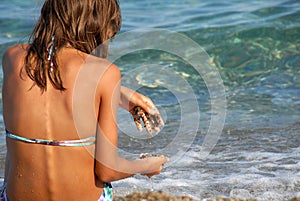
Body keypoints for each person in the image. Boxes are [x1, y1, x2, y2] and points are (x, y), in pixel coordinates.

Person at [1, 0, 168, 200]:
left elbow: (51, 85)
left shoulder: (12, 58)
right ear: (96, 25)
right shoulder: (105, 74)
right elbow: (107, 170)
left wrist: (119, 93)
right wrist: (148, 165)